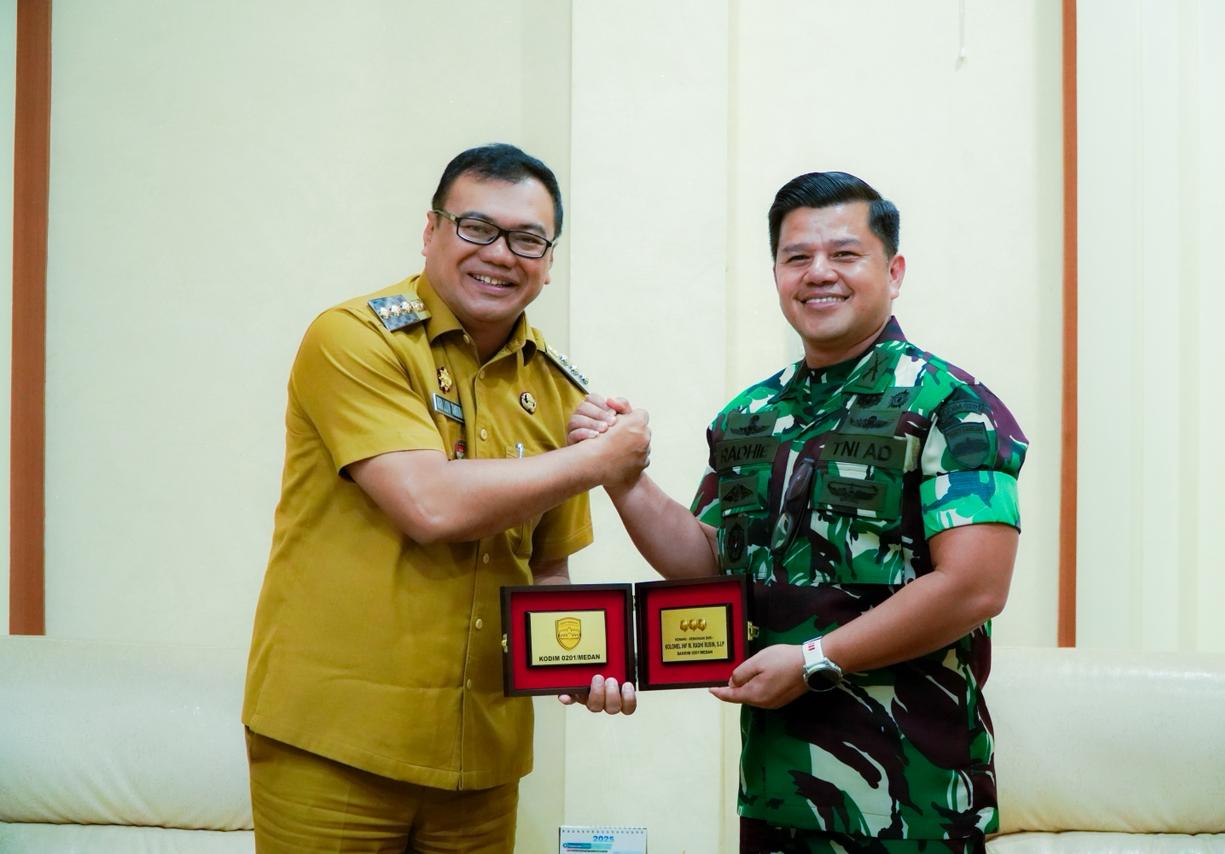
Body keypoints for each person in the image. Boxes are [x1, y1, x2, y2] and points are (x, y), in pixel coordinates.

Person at [572, 172, 1028, 853]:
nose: (819, 273)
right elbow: (707, 564)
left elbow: (973, 587)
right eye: (797, 257)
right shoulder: (750, 415)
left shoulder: (950, 404)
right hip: (776, 790)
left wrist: (816, 658)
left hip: (914, 801)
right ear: (777, 275)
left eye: (845, 254)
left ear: (893, 272)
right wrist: (620, 474)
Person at [243, 143, 645, 854]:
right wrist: (595, 461)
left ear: (549, 263)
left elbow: (546, 567)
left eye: (527, 240)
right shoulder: (355, 339)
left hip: (482, 757)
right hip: (335, 743)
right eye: (477, 228)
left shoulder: (556, 388)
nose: (500, 254)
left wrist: (583, 662)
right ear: (430, 231)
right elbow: (429, 505)